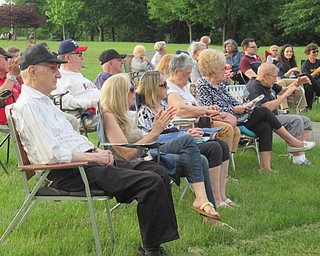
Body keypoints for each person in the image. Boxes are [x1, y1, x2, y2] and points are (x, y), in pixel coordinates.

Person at [14, 43, 179, 256]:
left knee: (157, 171)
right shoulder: (28, 105)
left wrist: (97, 151)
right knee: (150, 182)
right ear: (33, 71)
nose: (58, 75)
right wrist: (94, 158)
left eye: (57, 69)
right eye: (52, 68)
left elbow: (71, 138)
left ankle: (151, 245)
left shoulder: (44, 102)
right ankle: (151, 251)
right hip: (71, 171)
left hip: (84, 163)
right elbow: (52, 156)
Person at [100, 73, 223, 219]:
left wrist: (157, 132)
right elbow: (126, 154)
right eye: (132, 89)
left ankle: (209, 213)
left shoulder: (124, 115)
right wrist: (155, 132)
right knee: (187, 141)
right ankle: (202, 200)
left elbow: (145, 140)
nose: (135, 93)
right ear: (119, 93)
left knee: (201, 159)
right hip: (134, 162)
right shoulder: (109, 116)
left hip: (147, 153)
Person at [195, 49, 315, 171]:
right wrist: (235, 109)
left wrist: (245, 105)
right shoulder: (202, 85)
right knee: (263, 111)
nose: (225, 71)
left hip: (239, 117)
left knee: (265, 126)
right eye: (222, 68)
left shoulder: (220, 85)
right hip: (225, 120)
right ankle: (292, 142)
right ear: (213, 70)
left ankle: (266, 168)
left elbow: (233, 102)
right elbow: (207, 109)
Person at [136, 70, 235, 207]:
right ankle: (215, 199)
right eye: (164, 85)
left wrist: (187, 131)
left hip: (175, 139)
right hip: (161, 146)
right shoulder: (144, 112)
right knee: (213, 148)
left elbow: (173, 128)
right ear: (153, 88)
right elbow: (150, 139)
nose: (168, 87)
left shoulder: (163, 105)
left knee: (222, 145)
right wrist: (184, 136)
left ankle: (222, 196)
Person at [166, 53, 240, 153]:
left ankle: (227, 161)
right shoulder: (170, 88)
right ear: (176, 72)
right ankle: (222, 162)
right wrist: (205, 110)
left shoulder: (183, 86)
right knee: (226, 129)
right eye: (187, 74)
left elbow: (192, 106)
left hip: (197, 121)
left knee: (235, 130)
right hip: (186, 126)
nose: (188, 78)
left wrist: (208, 108)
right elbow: (181, 110)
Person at [246, 62, 315, 166]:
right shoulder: (255, 87)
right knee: (296, 121)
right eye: (274, 76)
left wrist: (297, 83)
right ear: (265, 76)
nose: (276, 79)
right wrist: (285, 96)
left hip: (274, 116)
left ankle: (300, 155)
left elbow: (283, 90)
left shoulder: (268, 83)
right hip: (264, 120)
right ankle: (298, 159)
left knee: (306, 120)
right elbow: (266, 108)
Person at [52, 39, 100, 129]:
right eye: (79, 54)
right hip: (85, 116)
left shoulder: (78, 75)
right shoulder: (61, 78)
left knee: (131, 115)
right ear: (68, 57)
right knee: (119, 117)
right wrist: (91, 103)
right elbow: (64, 101)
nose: (82, 58)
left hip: (103, 109)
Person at [276, 44, 307, 110]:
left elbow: (297, 75)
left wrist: (299, 73)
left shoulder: (292, 63)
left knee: (299, 82)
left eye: (291, 51)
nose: (289, 53)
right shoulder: (279, 63)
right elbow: (279, 77)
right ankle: (284, 108)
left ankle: (302, 108)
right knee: (281, 82)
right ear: (283, 53)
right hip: (283, 80)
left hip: (292, 80)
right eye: (287, 51)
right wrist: (290, 71)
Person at [0, 47, 21, 127]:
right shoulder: (9, 78)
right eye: (6, 58)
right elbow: (1, 96)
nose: (10, 60)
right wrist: (12, 75)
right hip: (8, 121)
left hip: (20, 117)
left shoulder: (7, 77)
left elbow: (28, 91)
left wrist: (18, 75)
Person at [301, 43, 320, 109]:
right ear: (308, 53)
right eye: (314, 52)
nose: (316, 53)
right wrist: (317, 71)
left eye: (317, 51)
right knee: (308, 87)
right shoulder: (305, 64)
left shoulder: (319, 62)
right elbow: (306, 77)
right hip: (311, 82)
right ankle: (308, 107)